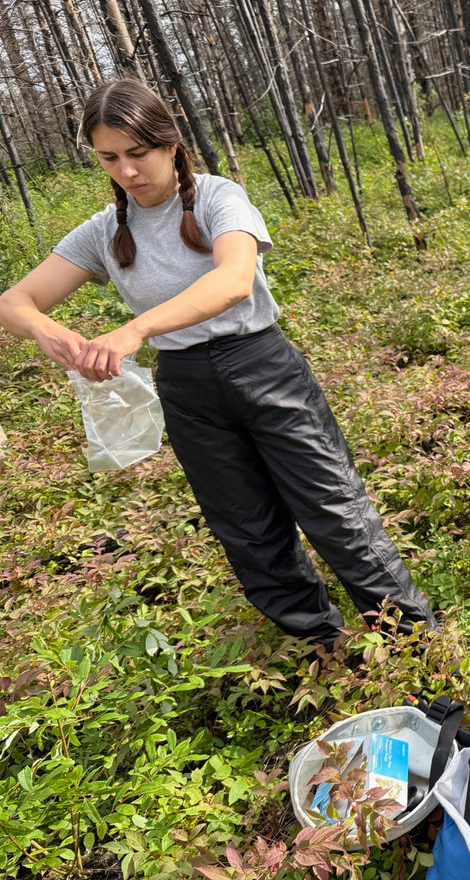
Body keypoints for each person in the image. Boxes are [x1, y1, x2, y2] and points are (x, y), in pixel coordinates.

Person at [0, 79, 434, 653]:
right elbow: (13, 302)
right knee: (248, 530)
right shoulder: (105, 232)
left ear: (171, 145)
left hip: (261, 365)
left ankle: (417, 648)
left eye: (138, 153)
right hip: (186, 387)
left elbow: (231, 282)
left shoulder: (216, 198)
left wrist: (136, 328)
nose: (127, 171)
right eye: (109, 158)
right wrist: (50, 332)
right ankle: (323, 649)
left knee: (334, 509)